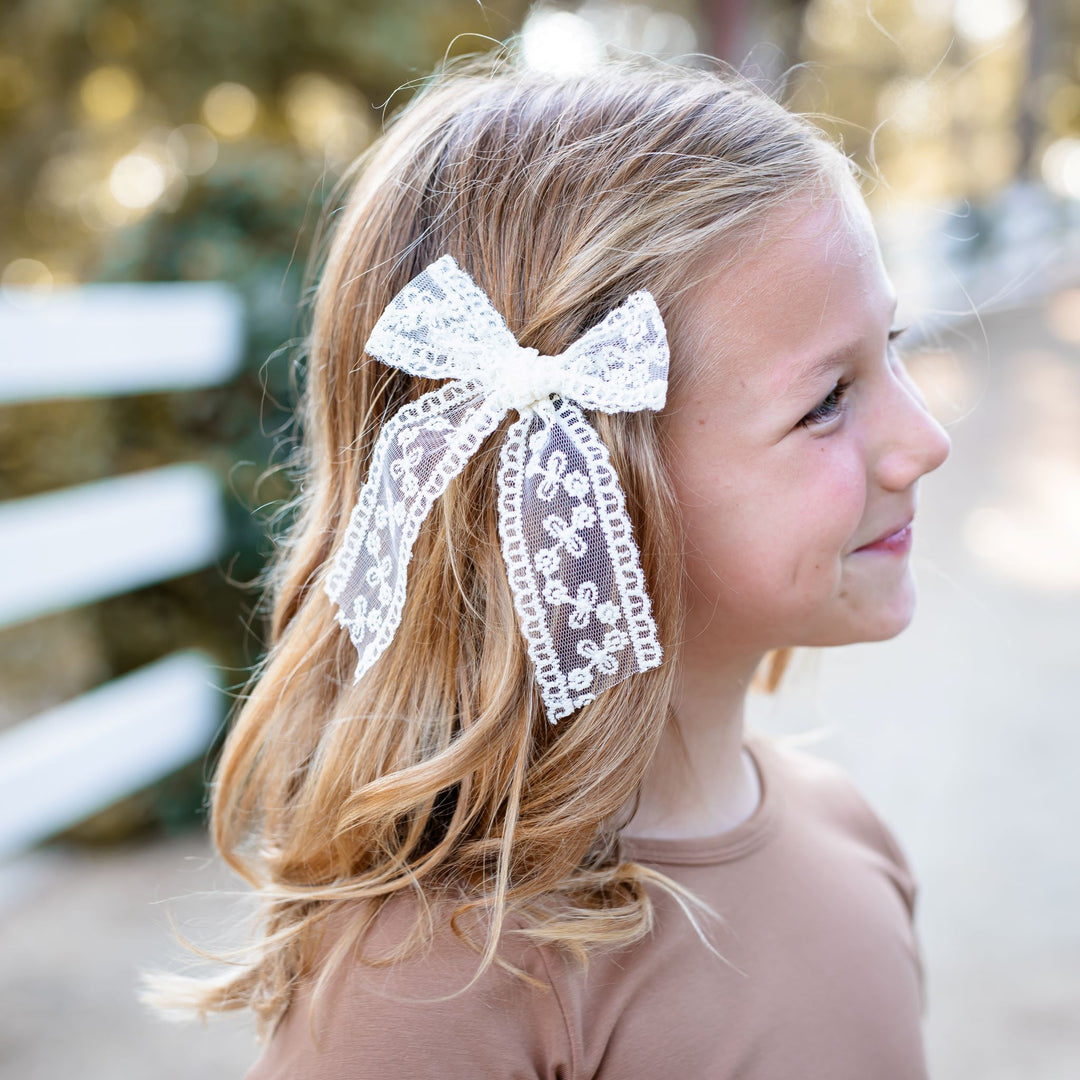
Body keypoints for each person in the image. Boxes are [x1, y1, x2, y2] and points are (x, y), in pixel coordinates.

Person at [141, 46, 952, 1079]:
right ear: (579, 482)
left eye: (896, 346)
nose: (925, 441)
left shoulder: (853, 836)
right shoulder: (437, 981)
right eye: (828, 399)